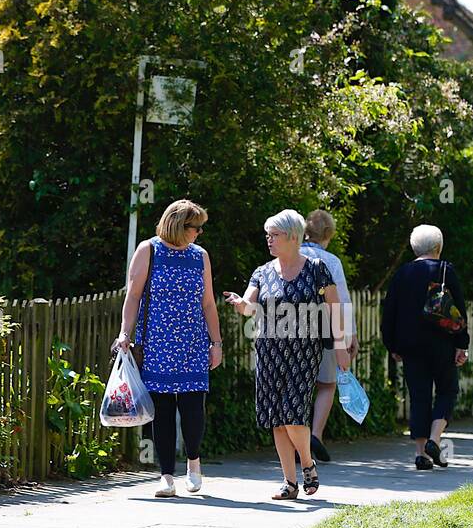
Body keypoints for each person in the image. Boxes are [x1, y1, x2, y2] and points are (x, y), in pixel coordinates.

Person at [223, 210, 350, 499]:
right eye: (267, 235)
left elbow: (336, 308)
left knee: (293, 414)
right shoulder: (262, 272)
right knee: (277, 419)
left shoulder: (317, 268)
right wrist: (241, 304)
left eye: (274, 235)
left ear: (293, 237)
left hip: (304, 351)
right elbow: (250, 307)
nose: (269, 240)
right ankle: (289, 483)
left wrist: (341, 347)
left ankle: (307, 463)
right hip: (269, 350)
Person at [113, 200, 223, 497]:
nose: (199, 233)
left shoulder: (200, 256)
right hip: (157, 343)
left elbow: (209, 303)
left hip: (193, 343)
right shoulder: (148, 251)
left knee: (192, 408)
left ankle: (194, 463)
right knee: (162, 409)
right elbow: (133, 296)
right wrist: (125, 332)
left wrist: (216, 343)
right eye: (195, 227)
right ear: (177, 224)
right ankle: (165, 475)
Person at [382, 224, 469, 469]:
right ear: (438, 247)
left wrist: (392, 344)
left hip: (411, 346)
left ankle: (421, 454)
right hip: (443, 343)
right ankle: (434, 438)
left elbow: (390, 312)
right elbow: (459, 311)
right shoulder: (445, 270)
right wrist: (462, 345)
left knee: (419, 396)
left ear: (414, 247)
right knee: (447, 390)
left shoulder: (402, 274)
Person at [300, 210, 358, 463]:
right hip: (325, 328)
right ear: (329, 234)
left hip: (295, 326)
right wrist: (350, 335)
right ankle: (316, 434)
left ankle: (296, 438)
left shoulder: (292, 255)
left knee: (298, 384)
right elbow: (341, 299)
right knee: (327, 383)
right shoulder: (331, 261)